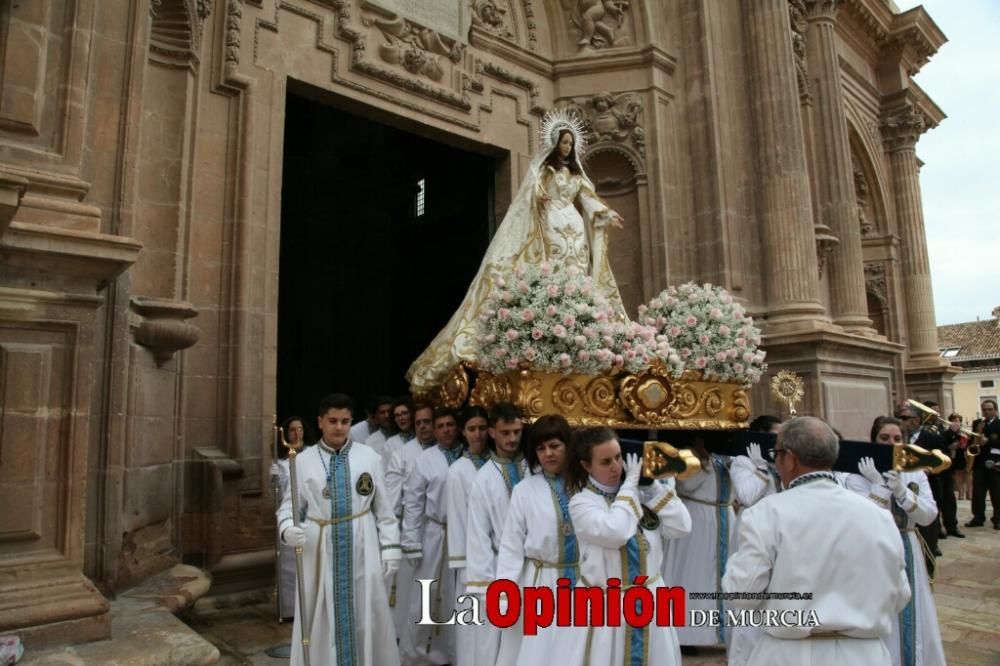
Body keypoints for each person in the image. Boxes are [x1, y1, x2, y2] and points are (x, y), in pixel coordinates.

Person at [406, 109, 626, 393]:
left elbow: (588, 200)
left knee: (577, 269)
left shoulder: (576, 175)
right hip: (551, 223)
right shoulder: (542, 171)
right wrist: (540, 197)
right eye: (563, 142)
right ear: (554, 143)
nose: (567, 147)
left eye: (570, 144)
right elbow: (528, 198)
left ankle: (576, 311)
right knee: (554, 264)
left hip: (573, 223)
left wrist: (604, 214)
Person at [722, 416, 911, 666]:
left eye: (776, 454)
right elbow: (900, 595)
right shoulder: (879, 516)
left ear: (790, 459)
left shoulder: (766, 514)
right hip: (864, 654)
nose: (775, 461)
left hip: (789, 654)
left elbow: (741, 593)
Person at [276, 393, 401, 666]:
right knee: (321, 617)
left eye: (345, 421)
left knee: (366, 614)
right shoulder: (304, 460)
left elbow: (384, 509)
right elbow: (289, 506)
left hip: (362, 545)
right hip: (320, 550)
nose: (339, 427)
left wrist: (391, 548)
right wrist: (287, 527)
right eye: (333, 421)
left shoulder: (369, 457)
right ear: (320, 422)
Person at [564, 426, 691, 665]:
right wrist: (630, 486)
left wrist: (651, 488)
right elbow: (617, 531)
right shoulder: (582, 503)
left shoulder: (639, 494)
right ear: (586, 466)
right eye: (605, 462)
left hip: (651, 600)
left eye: (618, 457)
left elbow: (682, 526)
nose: (615, 466)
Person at [846, 416, 945, 666]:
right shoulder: (858, 474)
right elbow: (858, 519)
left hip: (906, 544)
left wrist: (902, 492)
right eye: (884, 438)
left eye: (897, 439)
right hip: (873, 549)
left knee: (911, 610)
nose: (891, 443)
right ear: (873, 440)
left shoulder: (916, 473)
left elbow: (928, 515)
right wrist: (877, 487)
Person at [496, 415, 578, 666]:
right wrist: (505, 593)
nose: (548, 454)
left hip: (583, 581)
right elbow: (511, 546)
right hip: (541, 583)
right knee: (540, 652)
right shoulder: (525, 490)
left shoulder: (586, 486)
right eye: (541, 448)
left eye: (555, 446)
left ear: (569, 446)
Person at [465, 403, 530, 665]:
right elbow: (479, 537)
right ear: (492, 432)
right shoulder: (483, 479)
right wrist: (488, 588)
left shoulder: (533, 470)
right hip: (500, 573)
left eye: (516, 431)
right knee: (495, 647)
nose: (512, 438)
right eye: (505, 432)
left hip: (535, 571)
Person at [400, 408, 463, 665]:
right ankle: (415, 655)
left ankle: (451, 653)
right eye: (441, 425)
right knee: (424, 595)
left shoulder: (468, 457)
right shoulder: (425, 459)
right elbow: (413, 502)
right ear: (435, 430)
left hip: (462, 537)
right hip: (434, 534)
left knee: (455, 596)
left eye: (450, 424)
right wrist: (411, 541)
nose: (446, 429)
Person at [662, 438, 736, 654]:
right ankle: (685, 635)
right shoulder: (686, 453)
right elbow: (687, 484)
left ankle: (722, 632)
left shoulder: (727, 456)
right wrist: (701, 460)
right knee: (693, 576)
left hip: (724, 516)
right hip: (697, 520)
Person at [384, 403, 436, 656]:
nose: (424, 427)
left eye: (428, 421)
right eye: (419, 423)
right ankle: (404, 642)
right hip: (411, 529)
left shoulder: (448, 451)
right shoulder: (403, 453)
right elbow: (392, 499)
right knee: (409, 592)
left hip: (438, 532)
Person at [446, 406, 491, 666]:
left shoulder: (500, 464)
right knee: (472, 626)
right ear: (463, 432)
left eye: (482, 428)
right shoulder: (458, 471)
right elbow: (459, 521)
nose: (478, 434)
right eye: (472, 429)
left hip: (496, 554)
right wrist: (467, 568)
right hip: (470, 560)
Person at [271, 416, 308, 621]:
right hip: (290, 517)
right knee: (289, 567)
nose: (297, 433)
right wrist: (274, 479)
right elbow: (277, 497)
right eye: (293, 430)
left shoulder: (313, 455)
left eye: (300, 429)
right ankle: (291, 611)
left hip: (311, 517)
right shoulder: (283, 463)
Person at [967, 399, 1000, 529]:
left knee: (997, 493)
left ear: (995, 410)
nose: (986, 412)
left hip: (995, 463)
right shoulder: (977, 423)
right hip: (979, 463)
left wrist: (988, 442)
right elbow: (971, 442)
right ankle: (978, 517)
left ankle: (998, 519)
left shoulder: (999, 424)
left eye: (989, 409)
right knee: (978, 493)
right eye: (984, 409)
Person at [381, 398, 415, 472]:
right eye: (397, 415)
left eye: (404, 413)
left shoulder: (422, 438)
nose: (401, 418)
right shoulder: (389, 444)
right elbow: (385, 471)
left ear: (412, 414)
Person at [948, 413, 971, 501]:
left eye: (958, 420)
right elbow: (947, 443)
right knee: (958, 472)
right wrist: (954, 444)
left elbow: (970, 441)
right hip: (955, 453)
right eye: (954, 420)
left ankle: (969, 492)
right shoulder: (949, 432)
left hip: (966, 453)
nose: (957, 422)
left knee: (968, 472)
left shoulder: (965, 431)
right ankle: (961, 492)